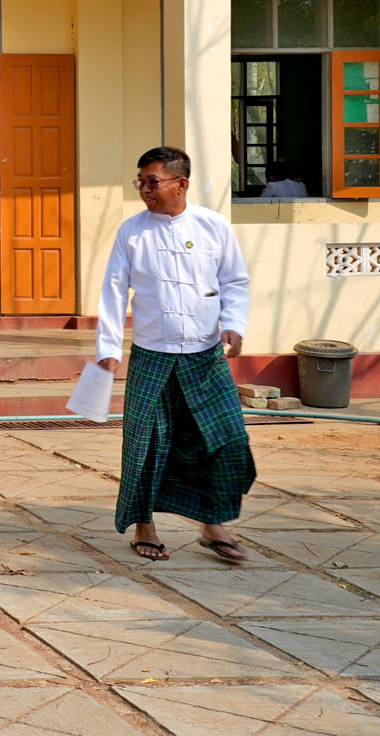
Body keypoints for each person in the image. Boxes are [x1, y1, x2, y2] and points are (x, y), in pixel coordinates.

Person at [96, 146, 255, 564]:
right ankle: (144, 524)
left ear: (181, 184)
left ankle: (212, 523)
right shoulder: (132, 232)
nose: (144, 189)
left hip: (204, 355)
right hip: (153, 353)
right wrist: (109, 348)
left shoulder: (213, 226)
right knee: (147, 443)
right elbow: (113, 291)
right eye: (140, 182)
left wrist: (234, 323)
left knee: (225, 439)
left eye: (153, 181)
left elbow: (235, 281)